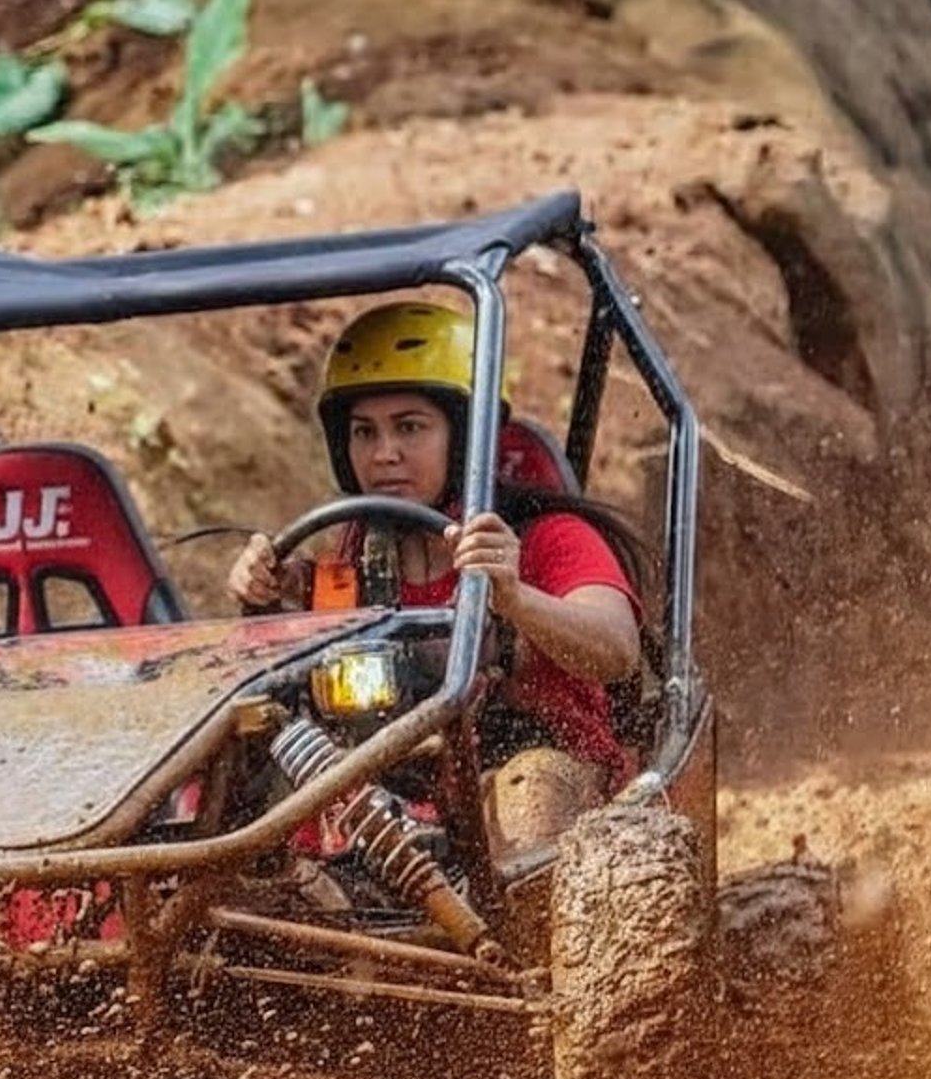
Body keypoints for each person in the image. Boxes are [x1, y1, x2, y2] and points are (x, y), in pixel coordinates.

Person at [227, 300, 649, 854]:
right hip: (392, 796)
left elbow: (617, 651)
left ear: (464, 436)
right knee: (269, 827)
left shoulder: (545, 538)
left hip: (547, 787)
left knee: (531, 795)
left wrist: (517, 599)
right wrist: (267, 595)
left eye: (409, 427)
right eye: (364, 432)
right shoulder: (351, 555)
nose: (384, 454)